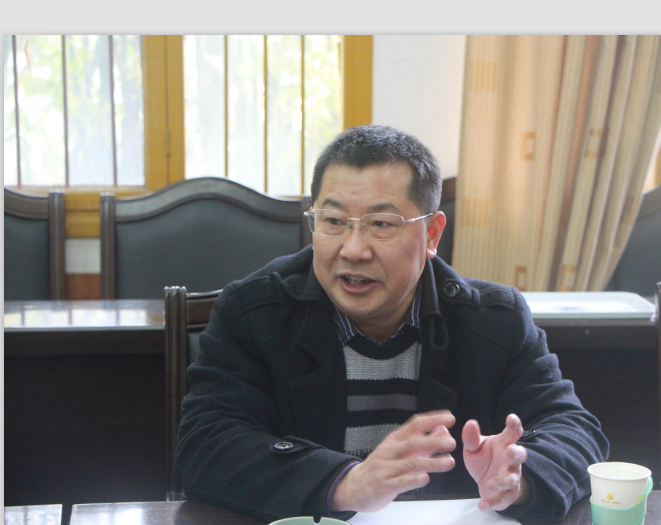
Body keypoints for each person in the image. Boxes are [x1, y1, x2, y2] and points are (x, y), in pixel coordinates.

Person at [177, 125, 608, 523]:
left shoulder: (494, 320)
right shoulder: (254, 310)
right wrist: (346, 482)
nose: (353, 249)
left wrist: (520, 475)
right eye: (333, 221)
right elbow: (205, 444)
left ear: (432, 234)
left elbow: (574, 431)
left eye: (381, 224)